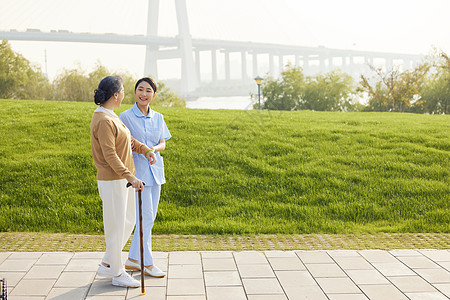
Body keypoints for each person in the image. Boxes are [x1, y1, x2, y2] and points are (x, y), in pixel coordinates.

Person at [90, 75, 157, 287]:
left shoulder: (111, 116)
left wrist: (145, 150)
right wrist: (131, 176)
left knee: (128, 220)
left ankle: (109, 263)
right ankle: (118, 274)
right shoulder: (102, 120)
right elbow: (110, 155)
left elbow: (128, 140)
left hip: (122, 180)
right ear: (116, 95)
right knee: (116, 226)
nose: (125, 95)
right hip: (113, 181)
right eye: (124, 92)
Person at [119, 77, 171, 277]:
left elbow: (162, 143)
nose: (144, 93)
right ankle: (147, 262)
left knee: (149, 218)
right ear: (135, 92)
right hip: (138, 174)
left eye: (148, 90)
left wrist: (153, 150)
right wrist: (144, 151)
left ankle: (133, 259)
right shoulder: (125, 117)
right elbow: (126, 143)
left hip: (156, 172)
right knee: (145, 218)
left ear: (154, 95)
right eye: (140, 89)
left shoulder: (158, 117)